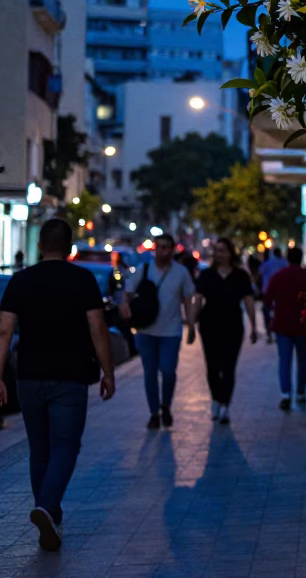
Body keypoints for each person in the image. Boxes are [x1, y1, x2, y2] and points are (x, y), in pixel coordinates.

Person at [0, 219, 115, 551]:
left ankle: (49, 518)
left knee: (40, 449)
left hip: (29, 376)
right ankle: (47, 507)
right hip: (70, 376)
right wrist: (108, 371)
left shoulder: (20, 281)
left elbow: (4, 332)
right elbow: (98, 328)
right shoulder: (83, 280)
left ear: (39, 245)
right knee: (65, 446)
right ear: (70, 247)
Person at [121, 235, 196, 430]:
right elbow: (127, 291)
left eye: (167, 248)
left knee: (169, 371)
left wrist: (191, 325)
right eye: (160, 247)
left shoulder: (181, 273)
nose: (163, 251)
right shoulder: (144, 270)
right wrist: (125, 305)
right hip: (146, 330)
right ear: (155, 249)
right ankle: (154, 412)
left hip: (171, 331)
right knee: (150, 373)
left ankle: (166, 406)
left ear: (172, 250)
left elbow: (188, 299)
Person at [194, 238, 258, 424]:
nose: (218, 254)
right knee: (212, 367)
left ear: (230, 253)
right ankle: (215, 400)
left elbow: (249, 301)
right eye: (216, 250)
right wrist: (191, 324)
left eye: (222, 250)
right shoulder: (207, 275)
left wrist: (254, 326)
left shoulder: (240, 276)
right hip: (209, 326)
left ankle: (225, 406)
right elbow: (197, 300)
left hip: (233, 326)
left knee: (229, 367)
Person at [265, 247, 306, 409]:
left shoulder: (278, 277)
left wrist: (269, 320)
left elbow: (267, 301)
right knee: (303, 360)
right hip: (303, 326)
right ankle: (301, 392)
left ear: (287, 258)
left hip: (282, 325)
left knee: (284, 361)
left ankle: (285, 393)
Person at [258, 248, 286, 344]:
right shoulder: (284, 263)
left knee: (267, 312)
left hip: (267, 292)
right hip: (280, 293)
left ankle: (269, 333)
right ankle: (278, 332)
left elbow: (260, 274)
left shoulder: (266, 264)